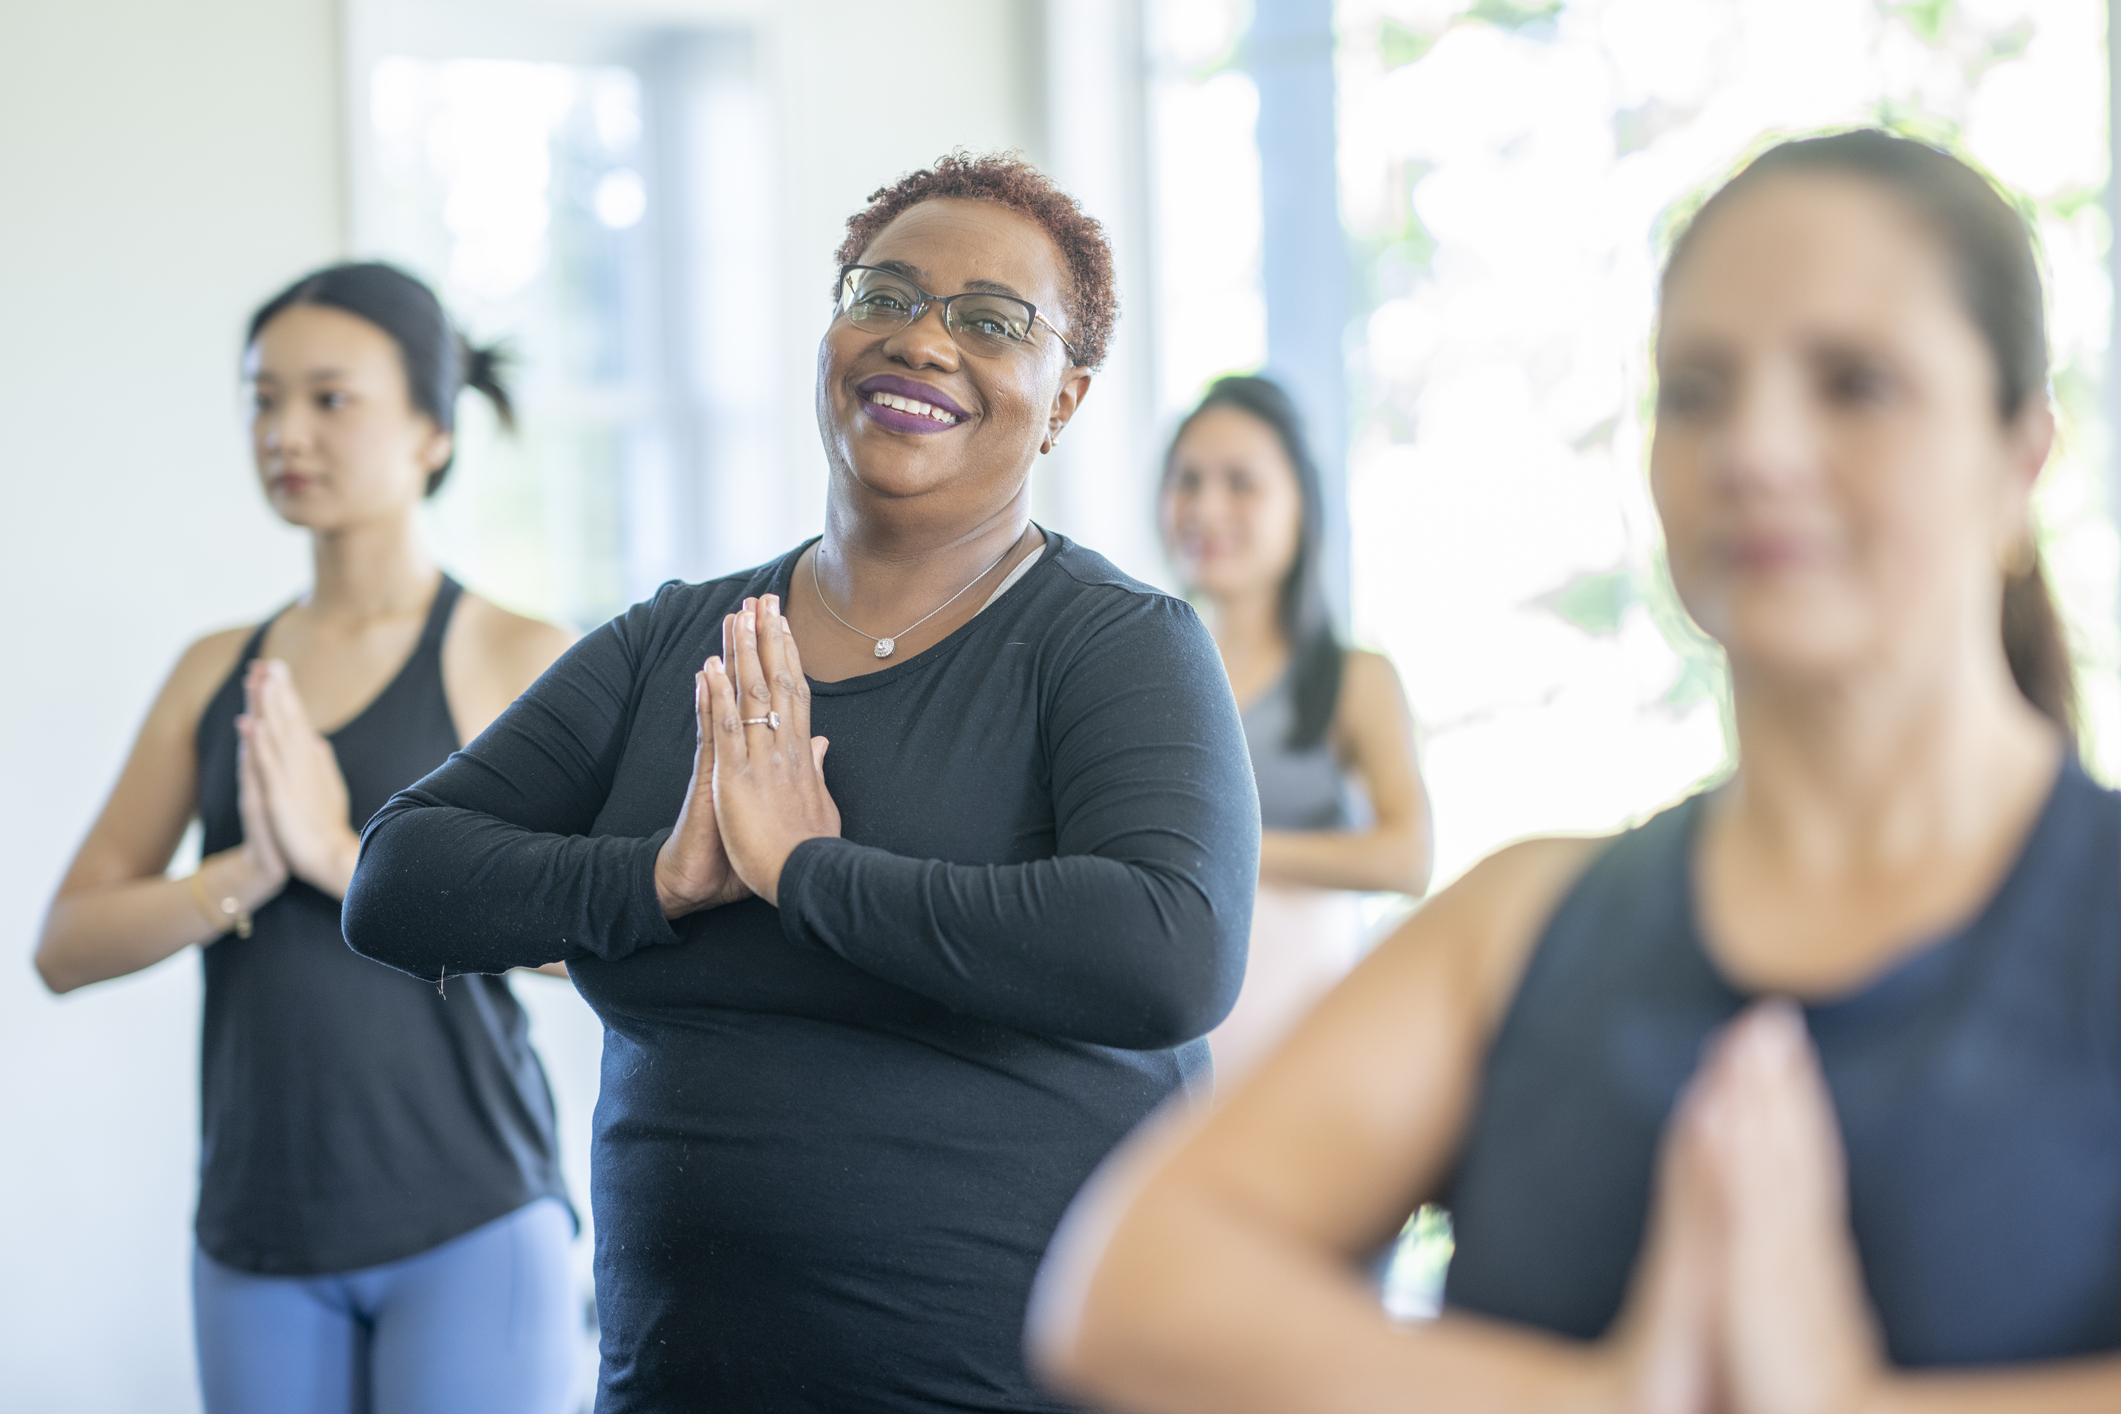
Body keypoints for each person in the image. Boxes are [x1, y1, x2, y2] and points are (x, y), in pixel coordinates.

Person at [1032, 128, 2121, 1412]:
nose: (1756, 449)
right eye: (1702, 389)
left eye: (1855, 384)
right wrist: (1615, 1397)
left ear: (2021, 456)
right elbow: (1125, 1294)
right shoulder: (1526, 925)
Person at [340, 153, 1258, 1412]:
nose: (923, 340)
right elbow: (397, 878)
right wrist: (665, 876)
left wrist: (808, 875)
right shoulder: (677, 641)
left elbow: (1173, 954)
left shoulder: (1115, 643)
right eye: (883, 294)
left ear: (1065, 398)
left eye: (993, 322)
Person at [35, 263, 581, 1414]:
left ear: (432, 430)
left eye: (330, 399)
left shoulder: (514, 655)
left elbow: (603, 937)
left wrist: (344, 860)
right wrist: (246, 871)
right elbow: (65, 943)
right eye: (261, 398)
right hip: (257, 1231)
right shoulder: (213, 670)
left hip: (471, 1216)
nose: (285, 430)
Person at [1161, 375, 1431, 1078]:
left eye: (1240, 482)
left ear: (1299, 506)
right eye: (1186, 480)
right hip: (1165, 1065)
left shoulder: (1355, 679)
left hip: (1305, 1055)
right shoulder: (1143, 673)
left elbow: (1408, 858)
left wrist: (1231, 850)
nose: (1206, 506)